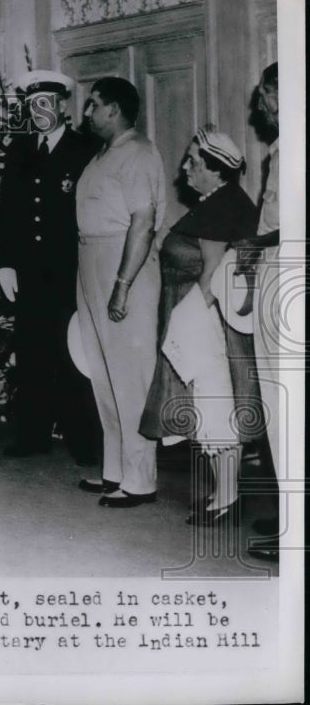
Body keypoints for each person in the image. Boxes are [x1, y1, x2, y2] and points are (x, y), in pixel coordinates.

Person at [140, 129, 257, 525]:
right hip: (210, 318)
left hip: (208, 321)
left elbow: (211, 276)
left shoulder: (220, 206)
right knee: (215, 405)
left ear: (215, 169)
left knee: (215, 404)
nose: (185, 168)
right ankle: (225, 493)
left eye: (193, 161)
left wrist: (182, 322)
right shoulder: (222, 200)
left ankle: (227, 499)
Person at [0, 69, 102, 463]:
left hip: (69, 270)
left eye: (45, 104)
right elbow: (9, 210)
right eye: (32, 105)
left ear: (61, 105)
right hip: (28, 271)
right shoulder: (20, 149)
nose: (38, 112)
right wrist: (6, 264)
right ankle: (32, 436)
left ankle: (84, 441)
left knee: (71, 353)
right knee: (32, 353)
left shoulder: (85, 149)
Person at [74, 77, 165, 508]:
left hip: (123, 264)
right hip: (92, 260)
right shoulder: (104, 153)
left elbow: (143, 224)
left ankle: (140, 480)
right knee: (103, 375)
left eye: (93, 104)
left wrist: (122, 285)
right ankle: (116, 470)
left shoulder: (139, 153)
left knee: (130, 377)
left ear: (113, 109)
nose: (87, 112)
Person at [237, 62, 281, 560]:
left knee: (285, 401)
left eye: (266, 94)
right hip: (275, 271)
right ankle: (291, 509)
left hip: (289, 276)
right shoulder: (279, 148)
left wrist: (257, 243)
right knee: (274, 399)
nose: (260, 106)